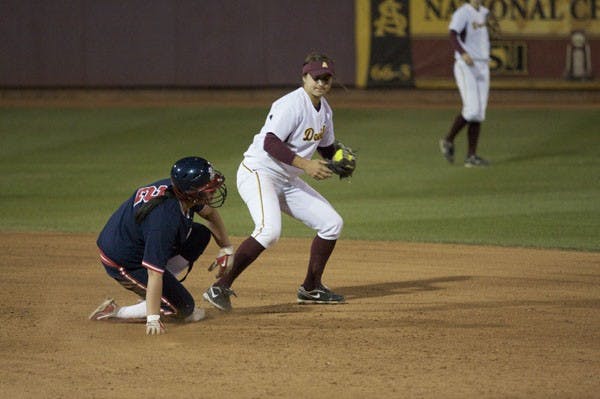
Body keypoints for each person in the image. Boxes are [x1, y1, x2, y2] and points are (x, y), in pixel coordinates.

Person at [203, 52, 346, 312]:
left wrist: (339, 160)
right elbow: (270, 143)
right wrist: (307, 165)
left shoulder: (325, 111)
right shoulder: (290, 104)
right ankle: (219, 287)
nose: (322, 83)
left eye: (327, 79)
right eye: (316, 77)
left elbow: (327, 148)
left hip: (287, 179)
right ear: (304, 77)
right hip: (259, 172)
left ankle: (311, 287)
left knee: (331, 224)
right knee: (269, 231)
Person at [89, 156, 233, 335]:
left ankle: (163, 291)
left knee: (200, 235)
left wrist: (226, 248)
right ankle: (115, 313)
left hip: (136, 239)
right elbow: (154, 272)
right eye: (208, 188)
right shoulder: (164, 220)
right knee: (185, 308)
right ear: (192, 192)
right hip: (123, 259)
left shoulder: (179, 193)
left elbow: (210, 213)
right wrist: (153, 319)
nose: (212, 191)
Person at [439, 0, 498, 167]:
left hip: (482, 64)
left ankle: (471, 157)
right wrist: (463, 52)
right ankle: (448, 140)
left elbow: (488, 33)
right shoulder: (463, 13)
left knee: (478, 113)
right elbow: (452, 34)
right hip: (466, 65)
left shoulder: (484, 13)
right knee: (472, 110)